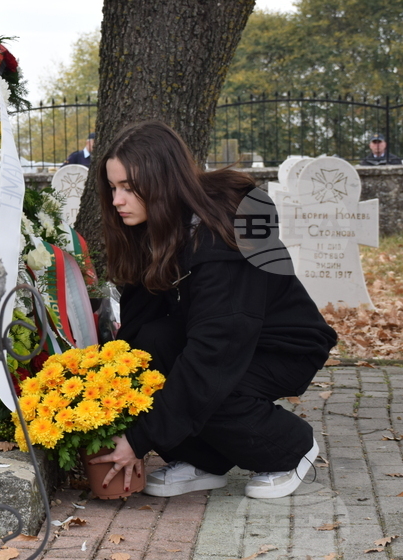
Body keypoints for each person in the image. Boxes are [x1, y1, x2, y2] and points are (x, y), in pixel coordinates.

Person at [92, 120, 337, 499]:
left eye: (128, 188)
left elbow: (215, 354)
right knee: (147, 347)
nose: (116, 201)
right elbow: (139, 329)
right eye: (113, 187)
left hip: (284, 345)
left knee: (214, 391)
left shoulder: (222, 235)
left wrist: (138, 440)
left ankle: (290, 449)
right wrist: (114, 398)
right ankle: (205, 460)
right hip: (215, 333)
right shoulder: (155, 227)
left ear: (163, 182)